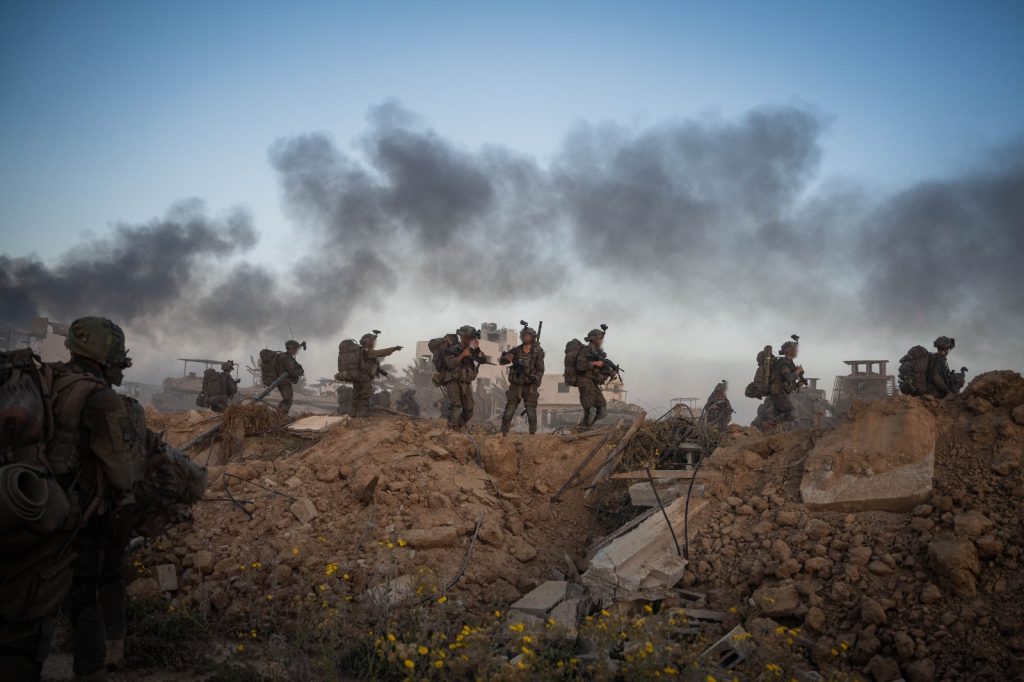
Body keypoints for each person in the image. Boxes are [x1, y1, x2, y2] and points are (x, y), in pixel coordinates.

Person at [0, 317, 139, 682]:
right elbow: (123, 473)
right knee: (83, 599)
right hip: (75, 522)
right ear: (107, 354)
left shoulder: (43, 379)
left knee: (22, 615)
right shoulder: (99, 397)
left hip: (26, 504)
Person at [499, 325, 545, 435]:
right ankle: (503, 434)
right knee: (509, 411)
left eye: (527, 335)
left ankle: (532, 434)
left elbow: (540, 370)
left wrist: (535, 381)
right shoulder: (516, 350)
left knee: (531, 411)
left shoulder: (537, 352)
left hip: (530, 386)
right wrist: (506, 358)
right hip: (516, 385)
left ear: (532, 337)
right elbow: (502, 360)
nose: (525, 337)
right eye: (523, 335)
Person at [441, 325, 488, 430]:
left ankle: (457, 426)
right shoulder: (451, 349)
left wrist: (477, 348)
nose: (471, 340)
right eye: (469, 337)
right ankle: (451, 430)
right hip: (453, 381)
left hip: (465, 382)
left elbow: (483, 360)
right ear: (462, 337)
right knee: (455, 407)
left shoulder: (472, 350)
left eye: (472, 338)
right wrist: (463, 355)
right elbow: (450, 364)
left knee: (469, 409)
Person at [349, 333, 402, 418]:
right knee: (365, 396)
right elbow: (380, 353)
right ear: (368, 342)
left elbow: (375, 366)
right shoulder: (366, 351)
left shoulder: (361, 352)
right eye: (372, 341)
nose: (374, 343)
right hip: (364, 378)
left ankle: (353, 415)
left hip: (358, 377)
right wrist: (393, 349)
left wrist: (385, 373)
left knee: (356, 396)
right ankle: (364, 416)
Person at [575, 328, 610, 427]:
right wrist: (595, 363)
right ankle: (581, 429)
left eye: (602, 338)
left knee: (602, 411)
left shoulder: (598, 353)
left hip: (593, 383)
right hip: (584, 382)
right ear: (592, 339)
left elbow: (600, 370)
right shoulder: (585, 351)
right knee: (591, 411)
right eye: (599, 338)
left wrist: (608, 372)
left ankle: (585, 428)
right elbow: (580, 366)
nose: (601, 340)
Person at [767, 338, 805, 426]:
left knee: (783, 414)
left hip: (780, 391)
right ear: (789, 350)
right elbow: (789, 377)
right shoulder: (783, 363)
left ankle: (773, 429)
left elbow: (787, 381)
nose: (797, 351)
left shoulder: (789, 363)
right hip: (778, 391)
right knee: (792, 413)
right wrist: (798, 371)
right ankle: (769, 425)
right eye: (795, 349)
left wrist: (798, 384)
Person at [276, 340, 305, 414]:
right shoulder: (286, 358)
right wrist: (300, 372)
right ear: (290, 348)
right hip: (284, 382)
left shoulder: (285, 356)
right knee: (288, 400)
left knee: (286, 399)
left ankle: (279, 414)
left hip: (282, 381)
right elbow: (293, 372)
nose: (296, 351)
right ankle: (281, 415)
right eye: (295, 349)